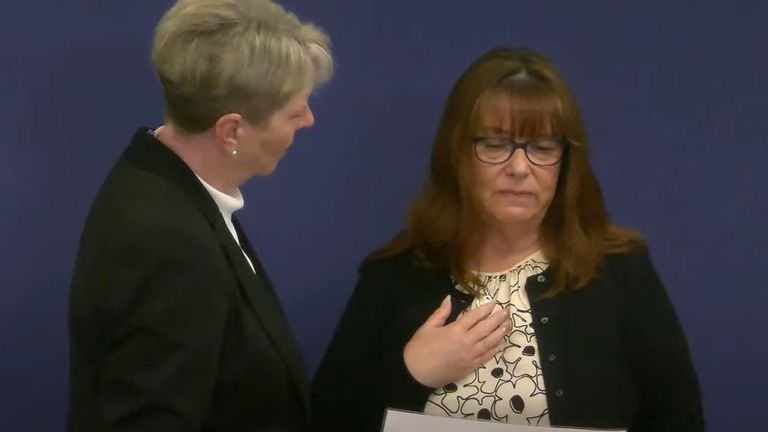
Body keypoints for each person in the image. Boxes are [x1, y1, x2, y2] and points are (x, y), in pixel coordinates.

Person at [311, 47, 704, 432]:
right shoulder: (395, 276)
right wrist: (411, 372)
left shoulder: (619, 273)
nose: (519, 168)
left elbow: (678, 419)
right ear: (458, 154)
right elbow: (326, 419)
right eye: (495, 145)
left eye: (541, 148)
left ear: (565, 163)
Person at [67, 1, 332, 431]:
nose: (308, 120)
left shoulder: (165, 187)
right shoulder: (165, 241)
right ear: (231, 130)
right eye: (294, 111)